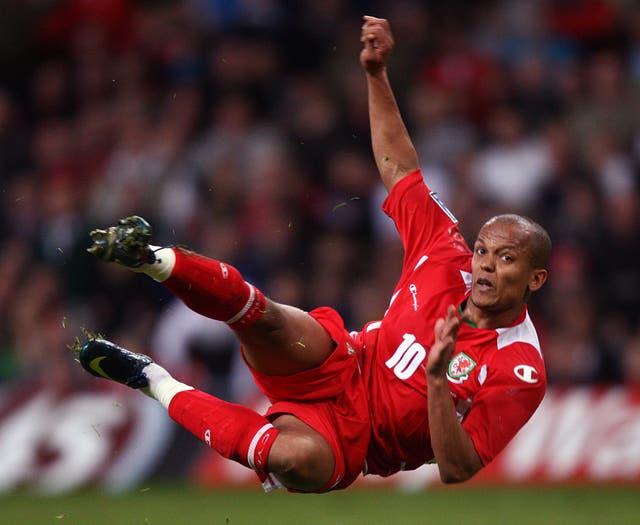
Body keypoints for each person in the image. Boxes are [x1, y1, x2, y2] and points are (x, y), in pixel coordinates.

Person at [76, 16, 550, 493]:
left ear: (536, 279)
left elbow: (458, 468)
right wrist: (375, 73)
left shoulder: (520, 368)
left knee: (291, 457)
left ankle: (150, 378)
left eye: (506, 259)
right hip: (344, 361)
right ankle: (150, 256)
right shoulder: (446, 252)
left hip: (356, 444)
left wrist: (435, 384)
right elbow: (399, 166)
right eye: (484, 251)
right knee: (268, 319)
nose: (485, 264)